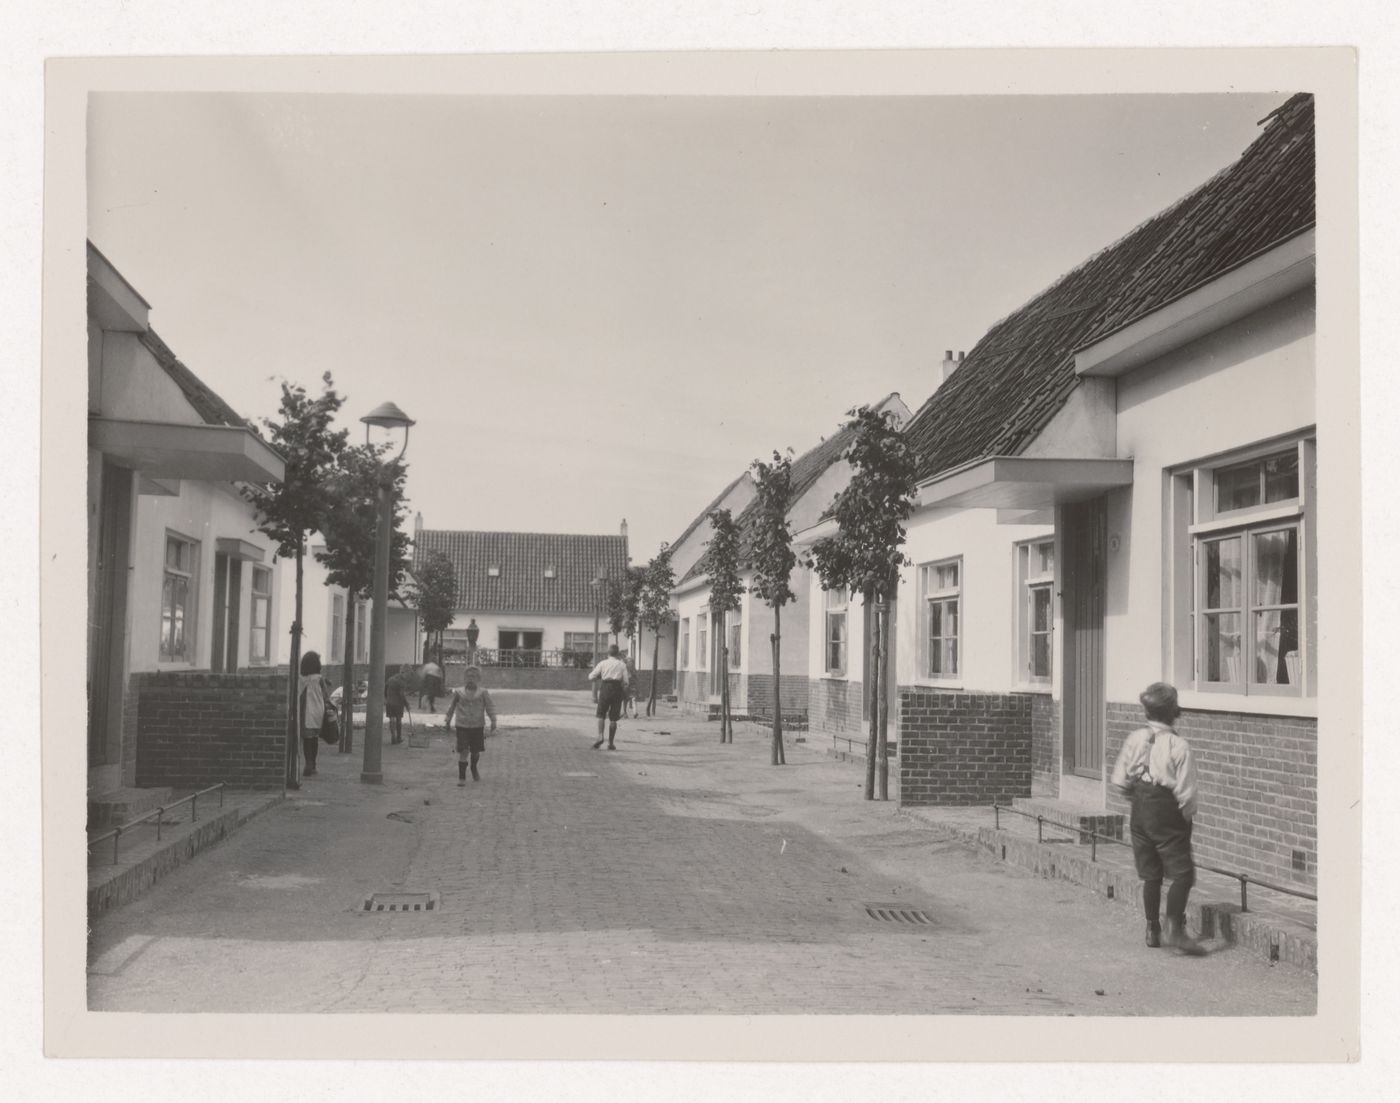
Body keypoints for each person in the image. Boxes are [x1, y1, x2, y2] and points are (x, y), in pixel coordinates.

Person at [1110, 681, 1205, 956]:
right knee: (1184, 874)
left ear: (1146, 713)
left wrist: (1139, 801)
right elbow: (1187, 792)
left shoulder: (1134, 739)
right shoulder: (1179, 745)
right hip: (1167, 811)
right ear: (1175, 713)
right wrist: (1185, 819)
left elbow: (1119, 780)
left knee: (1151, 874)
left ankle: (1152, 928)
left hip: (1139, 811)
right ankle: (1174, 927)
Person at [443, 666, 496, 785]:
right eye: (468, 676)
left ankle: (473, 767)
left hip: (477, 726)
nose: (470, 679)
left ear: (478, 679)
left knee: (475, 751)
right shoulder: (458, 692)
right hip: (462, 725)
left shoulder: (483, 692)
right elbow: (451, 707)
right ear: (464, 678)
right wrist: (447, 720)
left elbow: (490, 707)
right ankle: (462, 778)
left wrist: (493, 720)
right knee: (463, 750)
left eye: (473, 676)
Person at [588, 644, 630, 750]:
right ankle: (611, 743)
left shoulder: (603, 663)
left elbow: (591, 676)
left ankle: (600, 736)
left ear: (608, 653)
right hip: (617, 689)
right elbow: (626, 682)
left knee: (601, 714)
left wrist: (599, 677)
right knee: (614, 718)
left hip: (605, 688)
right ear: (618, 654)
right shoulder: (622, 664)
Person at [298, 651, 331, 778]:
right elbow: (325, 695)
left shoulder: (301, 679)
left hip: (306, 711)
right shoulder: (319, 679)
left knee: (307, 739)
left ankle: (308, 762)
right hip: (318, 710)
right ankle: (314, 764)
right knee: (315, 738)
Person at [384, 668, 418, 745]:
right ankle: (398, 738)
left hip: (389, 702)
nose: (409, 677)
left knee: (392, 719)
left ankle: (393, 737)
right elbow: (401, 694)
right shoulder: (402, 682)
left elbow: (385, 689)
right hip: (398, 704)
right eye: (409, 675)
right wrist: (407, 704)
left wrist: (386, 699)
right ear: (405, 673)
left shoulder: (391, 679)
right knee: (398, 720)